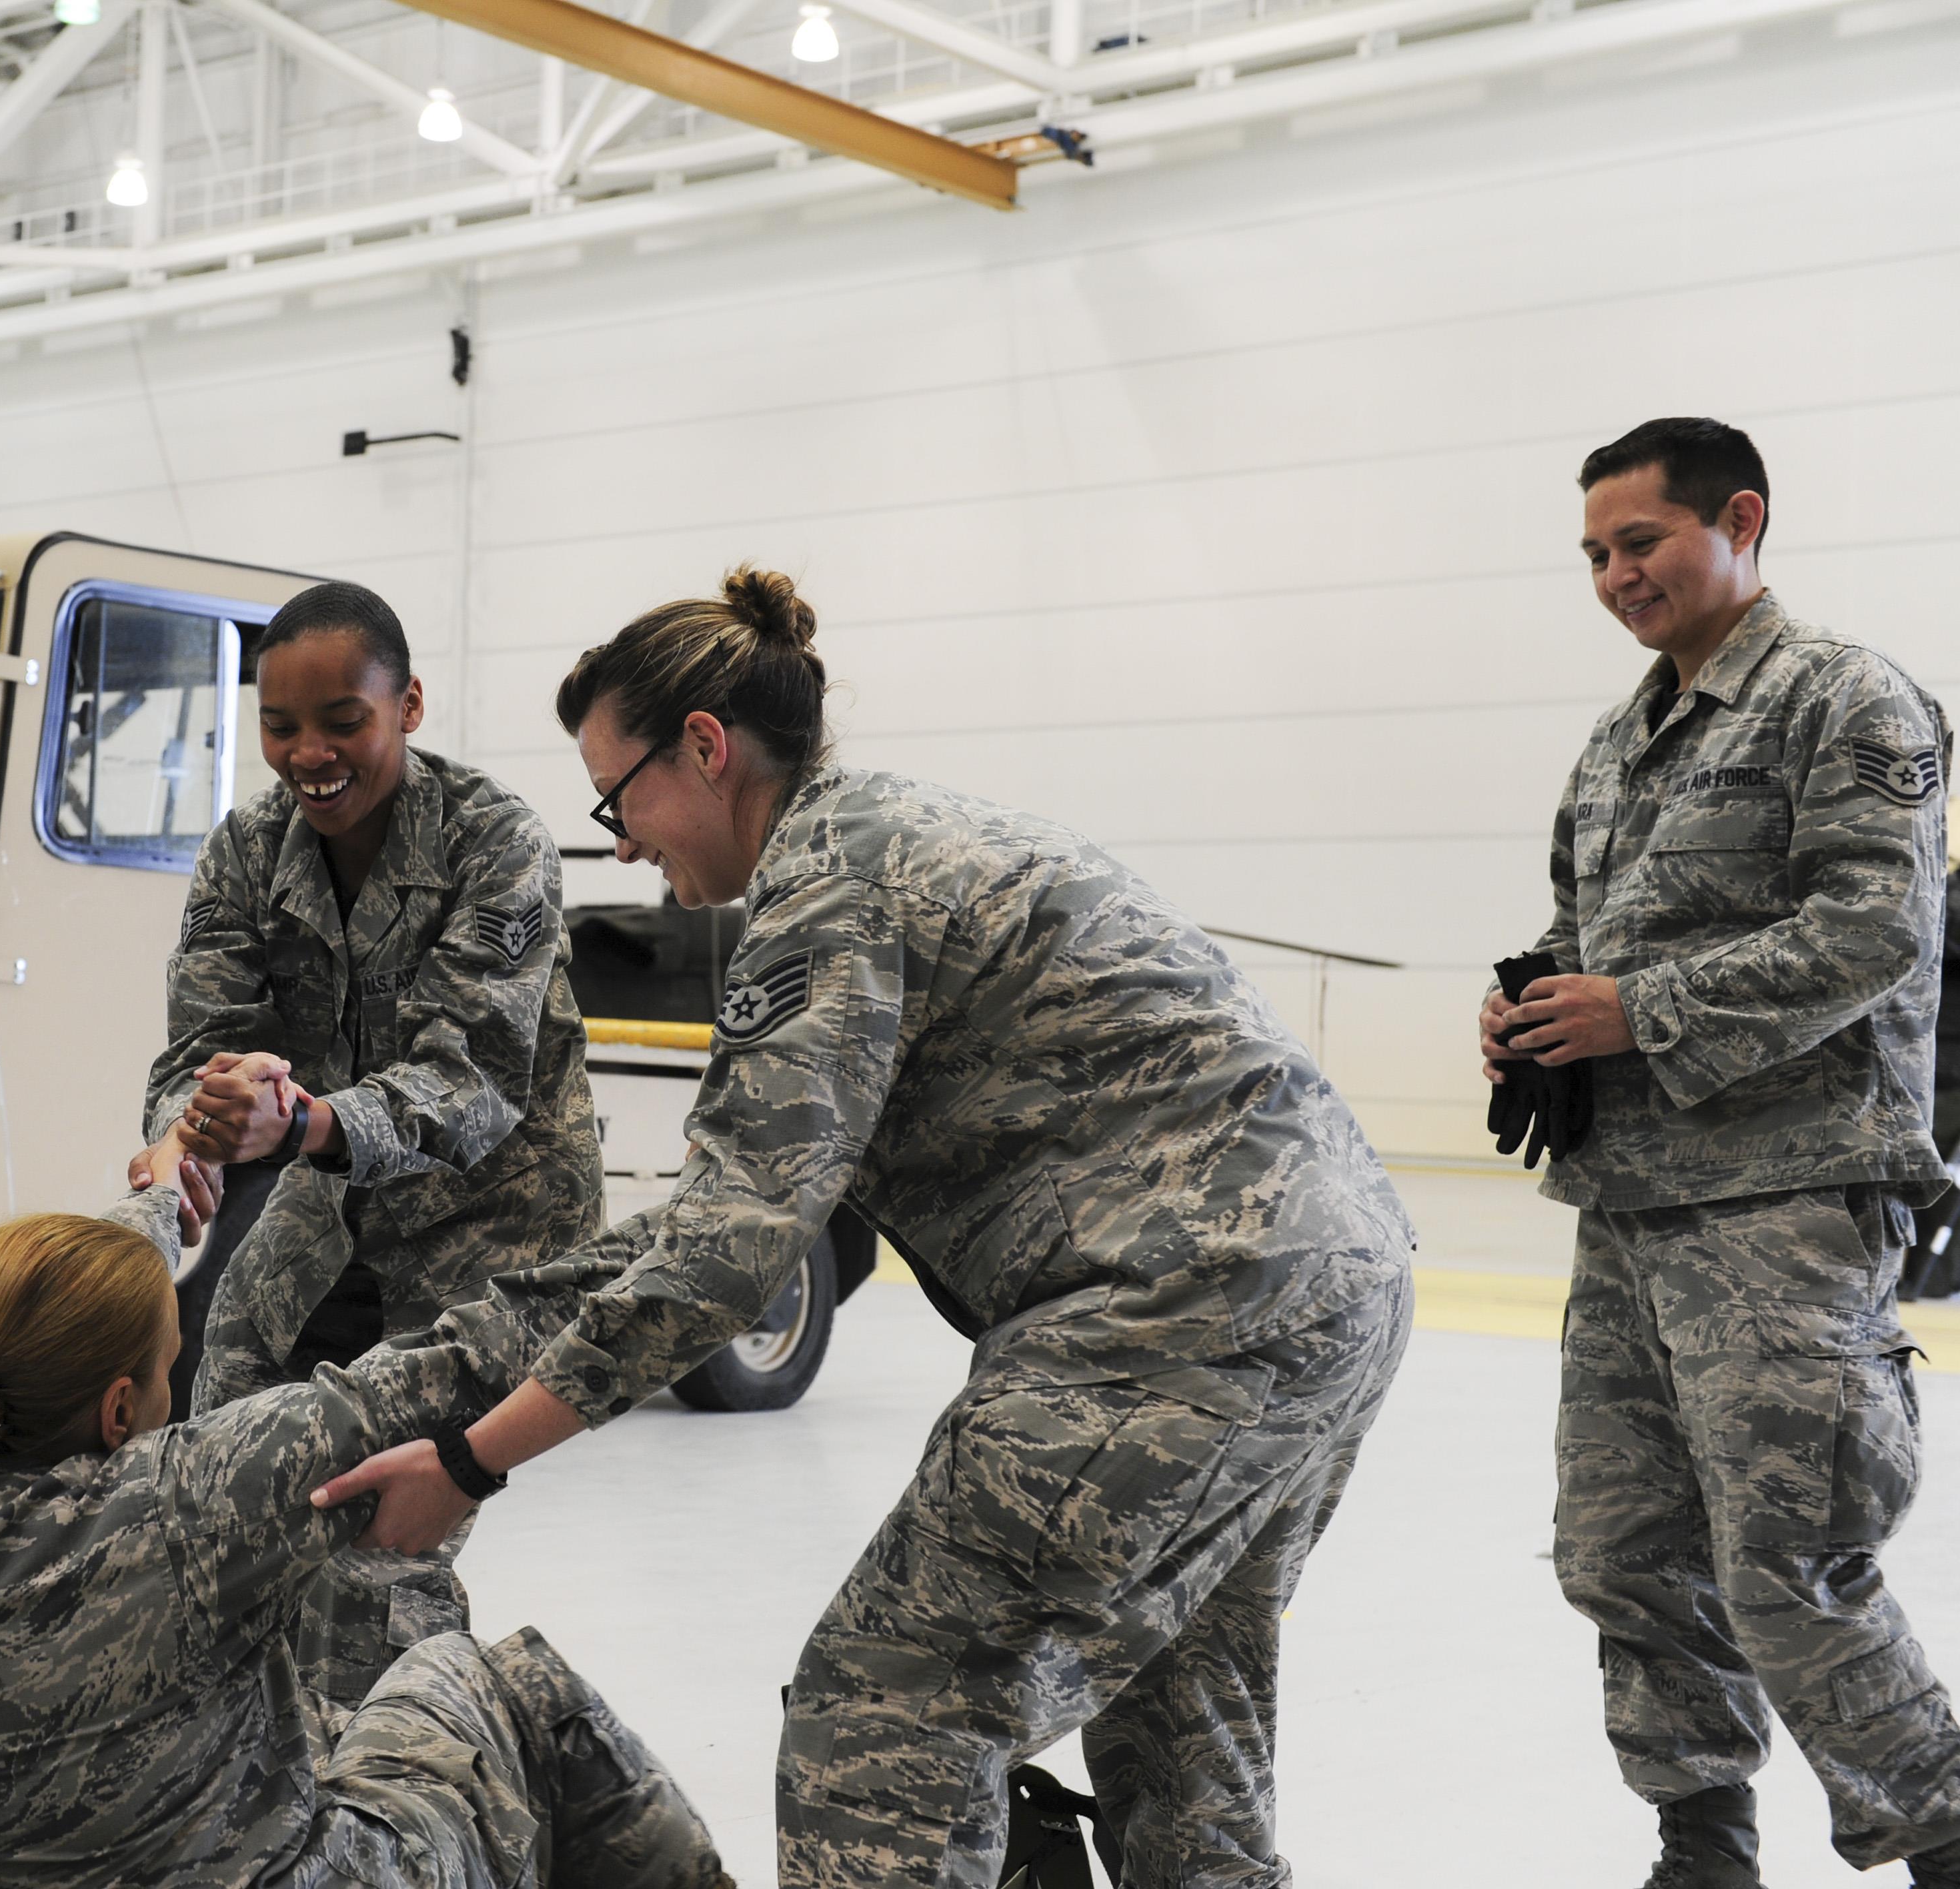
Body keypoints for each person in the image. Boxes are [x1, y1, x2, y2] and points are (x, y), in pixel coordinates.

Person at [313, 568, 1418, 1888]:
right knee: (1184, 1720)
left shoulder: (825, 891)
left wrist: (476, 1460)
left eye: (620, 799)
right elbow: (691, 1235)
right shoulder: (889, 840)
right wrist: (411, 1387)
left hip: (1176, 1301)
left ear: (707, 751)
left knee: (884, 1713)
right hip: (1325, 1283)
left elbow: (724, 1259)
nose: (620, 844)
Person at [1481, 418, 1960, 1886]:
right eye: (1594, 555)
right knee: (1622, 1555)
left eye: (1641, 542)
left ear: (1738, 520)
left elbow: (1880, 928)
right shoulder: (1617, 742)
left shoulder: (1847, 701)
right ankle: (1702, 1842)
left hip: (1788, 1203)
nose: (1616, 575)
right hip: (1628, 1210)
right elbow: (1585, 937)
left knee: (1789, 1564)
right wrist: (1533, 1013)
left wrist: (1644, 1010)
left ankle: (1940, 1830)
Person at [0, 1152, 728, 1889]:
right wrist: (733, 1207)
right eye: (171, 1364)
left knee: (324, 1707)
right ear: (120, 1409)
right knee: (498, 1683)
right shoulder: (180, 1508)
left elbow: (33, 1314)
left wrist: (167, 1186)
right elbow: (481, 1351)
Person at [131, 579, 600, 1702]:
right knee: (220, 1472)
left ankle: (420, 1784)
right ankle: (261, 1761)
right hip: (330, 1199)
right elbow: (203, 1043)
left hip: (495, 1226)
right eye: (281, 725)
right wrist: (180, 1137)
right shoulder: (248, 849)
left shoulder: (497, 844)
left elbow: (471, 1083)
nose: (310, 752)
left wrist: (303, 1119)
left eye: (344, 719)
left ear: (410, 705)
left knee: (381, 1538)